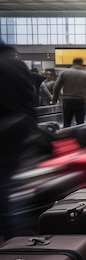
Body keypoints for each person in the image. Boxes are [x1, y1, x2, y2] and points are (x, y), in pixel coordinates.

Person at [0, 40, 39, 237]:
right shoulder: (17, 65)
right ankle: (19, 239)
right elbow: (31, 98)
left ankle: (14, 238)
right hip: (20, 135)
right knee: (11, 190)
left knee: (6, 191)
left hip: (5, 136)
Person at [52, 57, 86, 128]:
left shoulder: (65, 73)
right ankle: (79, 137)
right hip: (81, 101)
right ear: (82, 64)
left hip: (67, 101)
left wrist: (54, 99)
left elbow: (57, 87)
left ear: (73, 63)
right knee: (80, 123)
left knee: (67, 123)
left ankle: (66, 137)